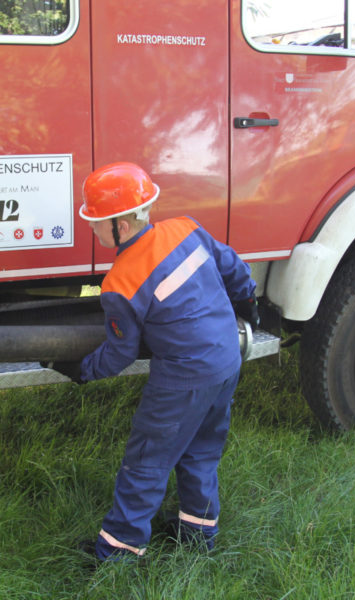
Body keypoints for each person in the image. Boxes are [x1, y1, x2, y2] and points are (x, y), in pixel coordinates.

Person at [49, 162, 259, 562]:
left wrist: (81, 371)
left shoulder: (120, 284)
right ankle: (197, 537)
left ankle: (119, 553)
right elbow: (232, 267)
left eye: (96, 222)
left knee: (147, 461)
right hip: (227, 362)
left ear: (121, 226)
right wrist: (247, 298)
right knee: (201, 450)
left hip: (183, 380)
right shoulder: (186, 228)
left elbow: (119, 354)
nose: (91, 229)